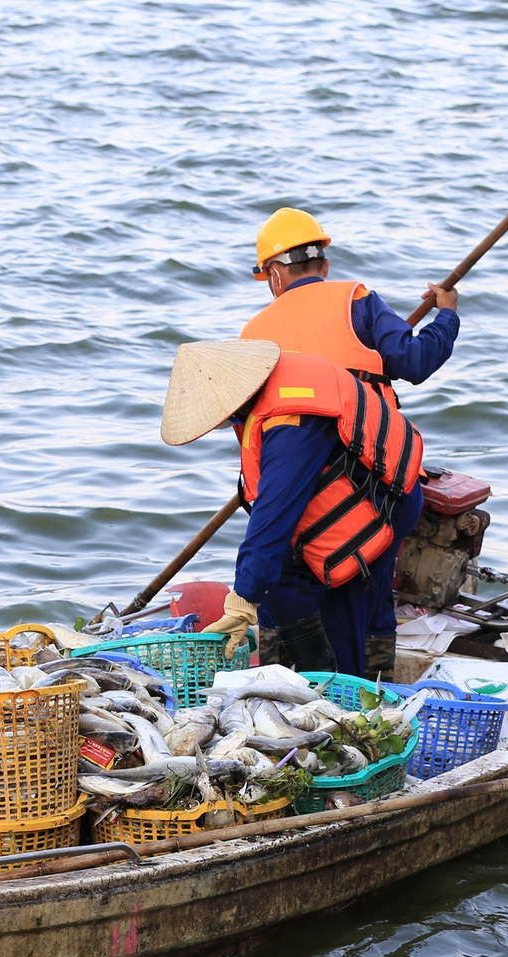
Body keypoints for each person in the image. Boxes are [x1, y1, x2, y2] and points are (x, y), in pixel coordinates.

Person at [222, 208, 461, 674]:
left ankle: (335, 691)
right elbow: (415, 361)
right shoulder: (357, 300)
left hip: (320, 505)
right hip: (386, 486)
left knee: (303, 581)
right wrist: (446, 316)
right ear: (324, 264)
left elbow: (267, 446)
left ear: (273, 276)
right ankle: (376, 689)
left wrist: (245, 591)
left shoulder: (252, 337)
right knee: (368, 592)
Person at [157, 339, 425, 677]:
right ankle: (343, 675)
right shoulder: (281, 381)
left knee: (329, 599)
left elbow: (275, 512)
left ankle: (336, 692)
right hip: (370, 486)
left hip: (378, 507)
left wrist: (243, 598)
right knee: (304, 585)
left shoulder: (292, 425)